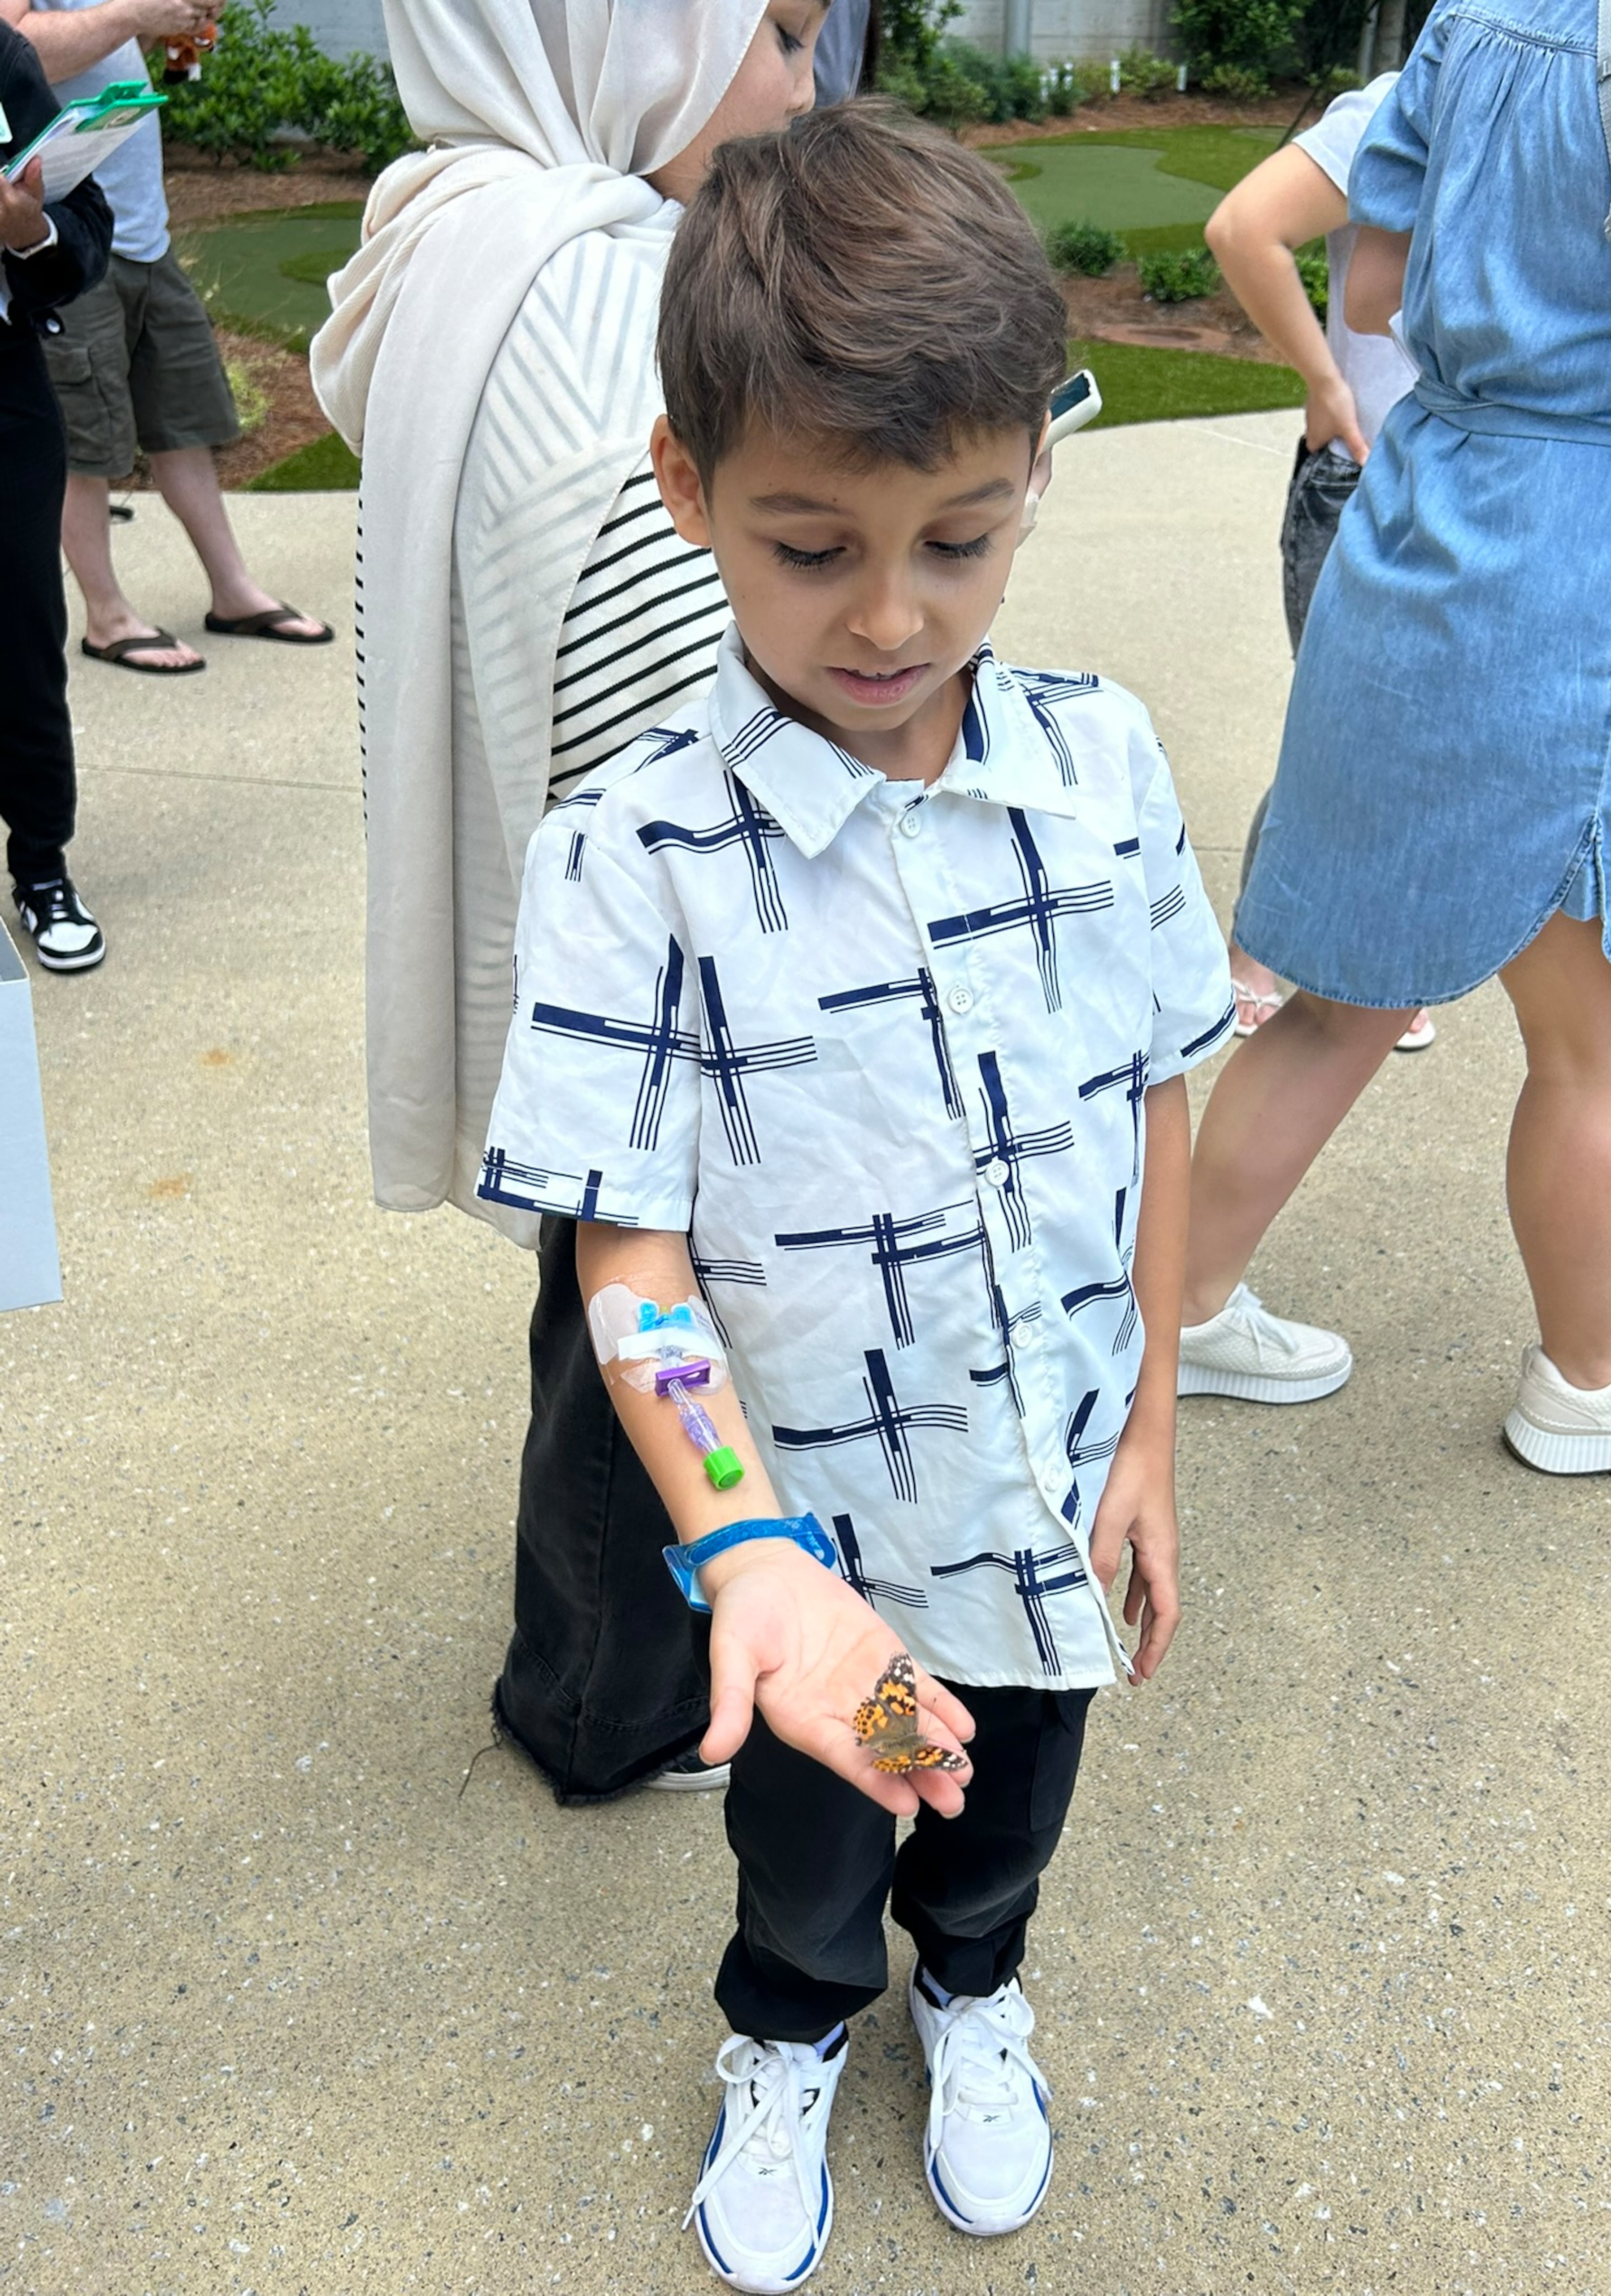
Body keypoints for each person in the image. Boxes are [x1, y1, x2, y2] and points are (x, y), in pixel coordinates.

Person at [479, 105, 1234, 2292]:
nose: (892, 615)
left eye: (962, 540)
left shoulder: (1103, 766)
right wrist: (739, 1544)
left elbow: (1153, 1104)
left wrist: (1159, 1425)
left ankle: (975, 1989)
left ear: (1031, 487)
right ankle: (797, 2027)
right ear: (688, 488)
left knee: (1005, 1812)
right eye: (812, 547)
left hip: (1056, 1485)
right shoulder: (637, 861)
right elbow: (624, 1254)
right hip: (823, 1564)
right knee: (828, 1843)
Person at [311, 0, 830, 1801]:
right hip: (676, 953)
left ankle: (609, 1655)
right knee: (653, 1319)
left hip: (578, 930)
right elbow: (704, 675)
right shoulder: (613, 299)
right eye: (770, 30)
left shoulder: (448, 231)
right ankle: (607, 1701)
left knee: (601, 1293)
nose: (796, 86)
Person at [1184, 0, 1611, 1471]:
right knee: (1596, 1045)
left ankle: (1173, 1305)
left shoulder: (1471, 20)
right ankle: (1591, 1382)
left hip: (1426, 511)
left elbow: (1371, 286)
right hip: (1593, 546)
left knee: (1340, 997)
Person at [1203, 76, 1433, 1053]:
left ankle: (1376, 962)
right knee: (1339, 735)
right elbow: (1244, 228)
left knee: (1412, 745)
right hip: (1362, 486)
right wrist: (1327, 380)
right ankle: (1255, 955)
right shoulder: (1401, 105)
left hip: (1440, 488)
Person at [5, 0, 332, 673]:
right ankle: (106, 616)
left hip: (144, 233)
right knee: (84, 442)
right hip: (72, 245)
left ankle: (234, 590)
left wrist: (155, 30)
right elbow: (15, 47)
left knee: (186, 419)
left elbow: (96, 63)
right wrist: (135, 14)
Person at [0, 19, 112, 969]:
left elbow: (87, 237)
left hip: (3, 399)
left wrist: (27, 227)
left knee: (22, 636)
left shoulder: (2, 57)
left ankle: (41, 865)